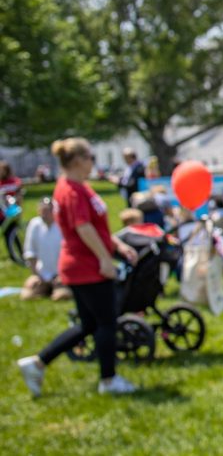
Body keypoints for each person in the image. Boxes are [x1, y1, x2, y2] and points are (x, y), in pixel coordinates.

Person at [17, 137, 139, 397]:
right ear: (77, 160)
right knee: (106, 322)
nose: (92, 162)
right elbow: (83, 228)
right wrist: (105, 259)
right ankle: (109, 380)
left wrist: (117, 245)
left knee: (88, 325)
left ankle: (37, 363)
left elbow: (97, 227)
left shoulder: (80, 187)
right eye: (90, 157)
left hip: (84, 263)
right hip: (86, 265)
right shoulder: (71, 190)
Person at [20, 197, 72, 301]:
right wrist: (35, 274)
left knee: (61, 296)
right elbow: (30, 252)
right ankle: (46, 289)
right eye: (42, 210)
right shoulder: (34, 224)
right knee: (26, 296)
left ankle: (59, 289)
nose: (44, 213)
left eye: (47, 210)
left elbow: (71, 253)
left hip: (61, 275)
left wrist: (63, 274)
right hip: (42, 274)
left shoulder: (63, 225)